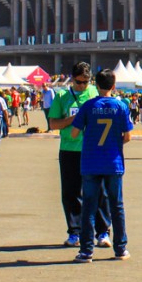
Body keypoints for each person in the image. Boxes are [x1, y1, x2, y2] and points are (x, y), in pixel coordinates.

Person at [70, 69, 133, 262]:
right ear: (113, 86)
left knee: (89, 206)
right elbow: (127, 136)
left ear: (96, 85)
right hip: (113, 162)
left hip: (90, 162)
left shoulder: (89, 106)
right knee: (117, 205)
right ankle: (120, 248)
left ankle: (86, 251)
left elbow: (74, 133)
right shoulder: (121, 106)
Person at [49, 62, 112, 249]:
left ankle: (102, 232)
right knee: (71, 193)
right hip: (70, 150)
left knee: (100, 192)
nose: (82, 86)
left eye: (85, 82)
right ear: (72, 78)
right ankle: (74, 232)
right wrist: (73, 120)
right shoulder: (62, 96)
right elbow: (53, 124)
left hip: (94, 150)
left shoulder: (96, 93)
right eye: (78, 82)